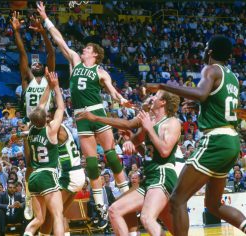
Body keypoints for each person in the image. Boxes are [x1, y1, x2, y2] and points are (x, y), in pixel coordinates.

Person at [36, 2, 131, 228]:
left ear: (95, 55)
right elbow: (59, 40)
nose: (83, 50)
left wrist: (121, 99)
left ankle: (126, 196)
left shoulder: (100, 71)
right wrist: (46, 18)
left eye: (87, 49)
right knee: (91, 164)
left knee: (111, 156)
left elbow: (112, 91)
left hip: (97, 112)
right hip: (81, 117)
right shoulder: (75, 62)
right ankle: (100, 208)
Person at [147, 35, 246, 235]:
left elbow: (201, 93)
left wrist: (163, 86)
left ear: (209, 51)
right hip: (232, 141)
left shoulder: (210, 69)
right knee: (213, 204)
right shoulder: (233, 77)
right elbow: (220, 102)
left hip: (215, 141)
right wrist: (203, 104)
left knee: (177, 199)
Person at [77, 91, 181, 235]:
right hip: (150, 177)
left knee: (147, 218)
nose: (152, 98)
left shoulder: (172, 122)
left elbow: (164, 151)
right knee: (114, 210)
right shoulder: (149, 119)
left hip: (163, 175)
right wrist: (130, 138)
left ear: (163, 102)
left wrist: (149, 128)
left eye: (156, 96)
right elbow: (131, 131)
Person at [10, 11, 55, 221]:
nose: (35, 64)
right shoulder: (27, 80)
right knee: (30, 163)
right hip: (31, 123)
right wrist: (16, 31)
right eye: (33, 64)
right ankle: (29, 197)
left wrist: (44, 33)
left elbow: (51, 52)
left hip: (50, 123)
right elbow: (22, 55)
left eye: (39, 64)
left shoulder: (49, 78)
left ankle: (55, 194)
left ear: (44, 68)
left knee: (54, 162)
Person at [34, 70, 86, 236]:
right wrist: (52, 87)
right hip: (75, 174)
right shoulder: (55, 127)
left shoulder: (53, 130)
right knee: (59, 212)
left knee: (52, 213)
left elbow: (40, 108)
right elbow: (43, 108)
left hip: (69, 175)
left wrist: (53, 87)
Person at [23, 68, 64, 236]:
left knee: (38, 220)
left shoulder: (30, 129)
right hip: (47, 174)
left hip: (33, 177)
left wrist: (47, 86)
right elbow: (60, 107)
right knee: (58, 217)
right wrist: (56, 86)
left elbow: (40, 104)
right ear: (46, 117)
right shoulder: (51, 130)